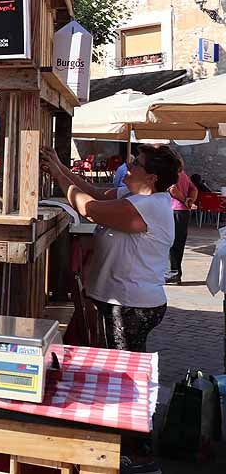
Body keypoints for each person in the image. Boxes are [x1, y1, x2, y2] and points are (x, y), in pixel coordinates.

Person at [40, 144, 176, 352]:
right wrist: (59, 166)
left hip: (131, 303)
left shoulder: (149, 206)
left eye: (136, 163)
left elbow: (90, 208)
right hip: (125, 300)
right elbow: (92, 191)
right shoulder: (135, 197)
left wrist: (59, 174)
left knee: (124, 365)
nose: (127, 165)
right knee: (123, 361)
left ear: (152, 178)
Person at [166, 159, 197, 284]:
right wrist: (190, 202)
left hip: (174, 210)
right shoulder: (183, 174)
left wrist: (184, 200)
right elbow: (194, 189)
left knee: (172, 243)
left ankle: (172, 273)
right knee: (179, 243)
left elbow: (172, 189)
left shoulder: (172, 174)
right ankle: (176, 273)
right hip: (183, 211)